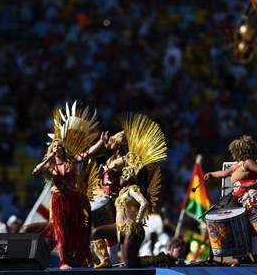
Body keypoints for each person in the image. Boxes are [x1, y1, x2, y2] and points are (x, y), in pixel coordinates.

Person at [22, 102, 106, 270]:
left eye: (60, 145)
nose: (58, 147)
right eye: (55, 145)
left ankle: (85, 256)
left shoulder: (72, 161)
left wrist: (101, 143)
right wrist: (48, 157)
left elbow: (87, 153)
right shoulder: (50, 166)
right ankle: (62, 261)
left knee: (77, 230)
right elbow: (35, 171)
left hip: (74, 199)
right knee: (60, 231)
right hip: (59, 200)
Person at [91, 113, 167, 267]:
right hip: (118, 219)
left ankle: (159, 258)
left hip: (129, 223)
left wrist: (138, 223)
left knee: (130, 264)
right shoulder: (112, 160)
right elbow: (102, 164)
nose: (110, 142)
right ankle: (105, 260)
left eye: (113, 140)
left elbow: (143, 201)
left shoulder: (127, 163)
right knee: (96, 231)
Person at [204, 135, 257, 265]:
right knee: (239, 228)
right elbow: (223, 174)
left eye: (234, 150)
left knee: (254, 227)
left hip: (250, 199)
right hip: (239, 201)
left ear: (240, 150)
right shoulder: (236, 166)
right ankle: (240, 256)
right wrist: (211, 174)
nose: (231, 152)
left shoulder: (247, 162)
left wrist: (253, 184)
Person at [92, 130, 128, 268]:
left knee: (117, 231)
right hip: (106, 197)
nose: (108, 143)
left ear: (119, 144)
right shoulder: (109, 160)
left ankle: (122, 260)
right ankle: (108, 259)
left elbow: (125, 179)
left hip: (117, 199)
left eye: (112, 141)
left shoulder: (124, 159)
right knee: (105, 230)